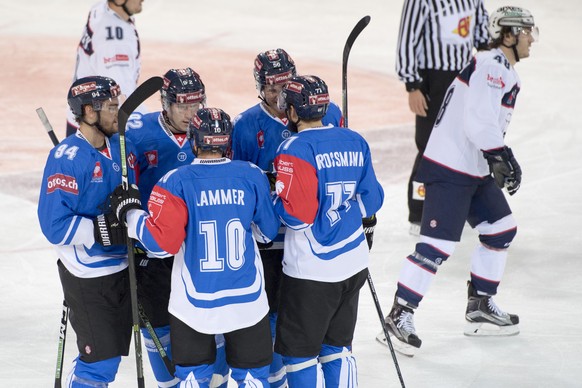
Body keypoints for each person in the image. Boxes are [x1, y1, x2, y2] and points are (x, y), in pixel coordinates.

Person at [376, 6, 538, 356]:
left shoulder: (496, 66)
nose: (531, 39)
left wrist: (498, 156)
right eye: (526, 32)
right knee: (436, 246)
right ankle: (398, 314)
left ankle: (480, 305)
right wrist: (501, 154)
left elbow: (481, 121)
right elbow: (478, 120)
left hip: (472, 168)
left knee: (500, 229)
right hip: (452, 169)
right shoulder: (493, 68)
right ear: (508, 35)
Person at [110, 107, 280, 387]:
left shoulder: (174, 181)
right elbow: (266, 234)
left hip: (194, 304)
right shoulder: (251, 175)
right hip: (247, 301)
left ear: (193, 141)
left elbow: (163, 246)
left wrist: (132, 215)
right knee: (252, 378)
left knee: (193, 378)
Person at [231, 48, 343, 388]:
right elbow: (240, 181)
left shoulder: (328, 112)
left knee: (311, 321)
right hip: (271, 240)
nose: (280, 93)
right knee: (273, 317)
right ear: (260, 85)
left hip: (315, 240)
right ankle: (278, 378)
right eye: (273, 85)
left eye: (286, 84)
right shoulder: (246, 125)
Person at [272, 75, 384, 387]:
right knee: (338, 349)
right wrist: (344, 215)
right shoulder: (354, 139)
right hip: (354, 263)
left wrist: (274, 198)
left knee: (300, 356)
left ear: (294, 112)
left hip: (312, 273)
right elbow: (373, 200)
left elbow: (298, 218)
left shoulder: (294, 147)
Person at [38, 76, 138, 386]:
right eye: (110, 107)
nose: (117, 114)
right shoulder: (66, 159)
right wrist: (98, 229)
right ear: (88, 112)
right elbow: (54, 226)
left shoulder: (123, 147)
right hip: (87, 273)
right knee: (100, 362)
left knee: (112, 354)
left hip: (124, 265)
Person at [125, 67, 207, 388]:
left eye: (196, 104)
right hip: (153, 248)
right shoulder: (138, 133)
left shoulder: (210, 130)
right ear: (165, 103)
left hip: (197, 249)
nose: (191, 113)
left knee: (203, 325)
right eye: (183, 106)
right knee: (157, 327)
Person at [396, 0, 490, 235]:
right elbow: (407, 39)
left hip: (464, 75)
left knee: (464, 142)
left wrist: (488, 62)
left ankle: (460, 206)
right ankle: (419, 212)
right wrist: (412, 85)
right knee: (429, 146)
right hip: (432, 81)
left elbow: (480, 30)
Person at [67, 0, 144, 136]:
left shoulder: (102, 10)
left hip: (83, 121)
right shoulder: (115, 43)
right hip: (98, 130)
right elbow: (121, 97)